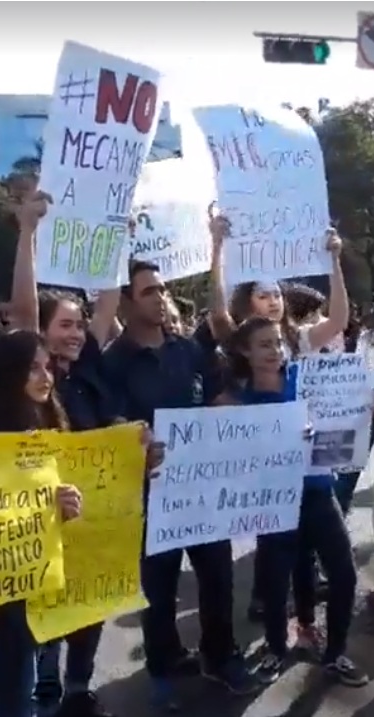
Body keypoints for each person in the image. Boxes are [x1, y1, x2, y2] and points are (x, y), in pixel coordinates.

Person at [7, 192, 154, 717]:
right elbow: (24, 310)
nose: (74, 333)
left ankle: (76, 687)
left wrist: (126, 436)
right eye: (64, 325)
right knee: (47, 606)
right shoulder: (31, 372)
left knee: (90, 604)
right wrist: (27, 230)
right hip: (44, 516)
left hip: (93, 517)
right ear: (42, 336)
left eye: (78, 325)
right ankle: (46, 688)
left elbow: (109, 302)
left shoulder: (89, 369)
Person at [103, 258, 258, 709]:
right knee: (158, 588)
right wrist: (132, 438)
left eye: (162, 289)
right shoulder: (115, 362)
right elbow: (109, 420)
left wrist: (228, 410)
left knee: (218, 576)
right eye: (149, 291)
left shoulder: (188, 350)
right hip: (150, 495)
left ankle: (219, 655)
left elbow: (218, 393)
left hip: (202, 492)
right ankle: (162, 665)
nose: (160, 297)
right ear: (127, 302)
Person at [204, 215, 351, 623]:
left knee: (309, 555)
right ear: (248, 302)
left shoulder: (300, 341)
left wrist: (334, 260)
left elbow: (338, 320)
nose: (272, 301)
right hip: (267, 469)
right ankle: (271, 617)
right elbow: (217, 313)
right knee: (275, 547)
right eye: (262, 294)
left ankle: (303, 625)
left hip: (309, 466)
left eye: (277, 294)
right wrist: (217, 247)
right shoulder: (243, 343)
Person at [217, 316, 369, 687]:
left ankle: (335, 653)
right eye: (264, 344)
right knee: (273, 581)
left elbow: (345, 408)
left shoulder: (307, 381)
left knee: (344, 574)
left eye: (278, 343)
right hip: (273, 500)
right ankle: (275, 650)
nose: (274, 351)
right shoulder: (238, 400)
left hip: (317, 490)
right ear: (245, 352)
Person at [0, 330, 84, 717]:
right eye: (32, 369)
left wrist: (62, 504)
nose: (45, 377)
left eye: (47, 367)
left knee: (16, 689)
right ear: (8, 372)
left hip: (23, 586)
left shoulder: (48, 424)